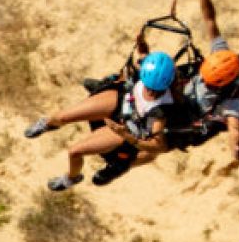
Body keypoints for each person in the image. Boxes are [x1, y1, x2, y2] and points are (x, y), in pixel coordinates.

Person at [23, 49, 176, 191]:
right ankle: (48, 124)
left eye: (154, 90)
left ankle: (71, 178)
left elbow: (159, 146)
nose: (149, 91)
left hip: (126, 126)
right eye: (147, 86)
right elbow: (142, 56)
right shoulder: (148, 73)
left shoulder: (160, 111)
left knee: (75, 152)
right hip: (120, 101)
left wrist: (127, 136)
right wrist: (142, 45)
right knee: (62, 116)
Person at [177, 0, 239, 169]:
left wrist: (236, 148)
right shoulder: (221, 57)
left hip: (188, 112)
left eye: (210, 83)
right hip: (183, 88)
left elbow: (234, 127)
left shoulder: (234, 101)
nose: (205, 81)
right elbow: (210, 18)